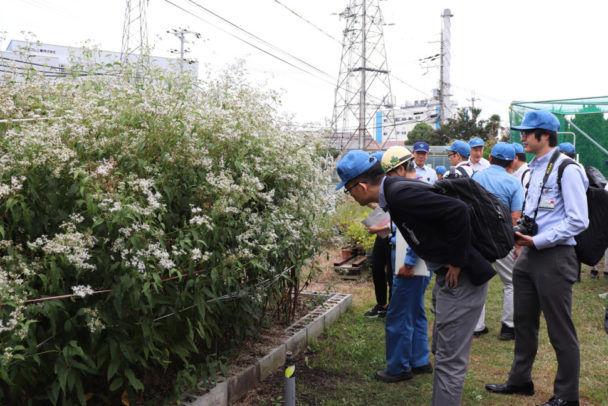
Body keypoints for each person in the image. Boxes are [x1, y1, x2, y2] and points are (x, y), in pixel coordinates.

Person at [336, 148, 494, 405]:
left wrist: (456, 260)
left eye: (348, 189)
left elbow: (458, 210)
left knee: (449, 361)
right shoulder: (395, 192)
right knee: (442, 354)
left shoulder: (399, 194)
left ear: (361, 186)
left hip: (463, 277)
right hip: (448, 275)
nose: (350, 195)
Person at [485, 110, 589, 406]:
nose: (522, 138)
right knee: (523, 321)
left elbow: (578, 220)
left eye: (527, 133)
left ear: (544, 136)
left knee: (560, 329)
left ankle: (567, 396)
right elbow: (535, 214)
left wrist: (539, 239)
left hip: (555, 256)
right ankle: (520, 380)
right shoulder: (533, 169)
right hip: (529, 253)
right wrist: (521, 234)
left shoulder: (567, 169)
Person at [471, 143, 524, 341]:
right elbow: (516, 217)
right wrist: (517, 244)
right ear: (512, 162)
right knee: (511, 282)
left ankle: (476, 326)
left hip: (478, 237)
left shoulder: (477, 177)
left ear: (490, 159)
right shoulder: (514, 182)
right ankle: (508, 327)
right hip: (503, 238)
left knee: (478, 280)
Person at [364, 151, 393, 318]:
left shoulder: (393, 185)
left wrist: (379, 229)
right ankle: (382, 305)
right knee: (376, 267)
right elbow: (384, 209)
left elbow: (399, 216)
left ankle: (392, 308)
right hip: (382, 234)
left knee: (391, 273)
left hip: (393, 234)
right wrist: (369, 204)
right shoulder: (380, 186)